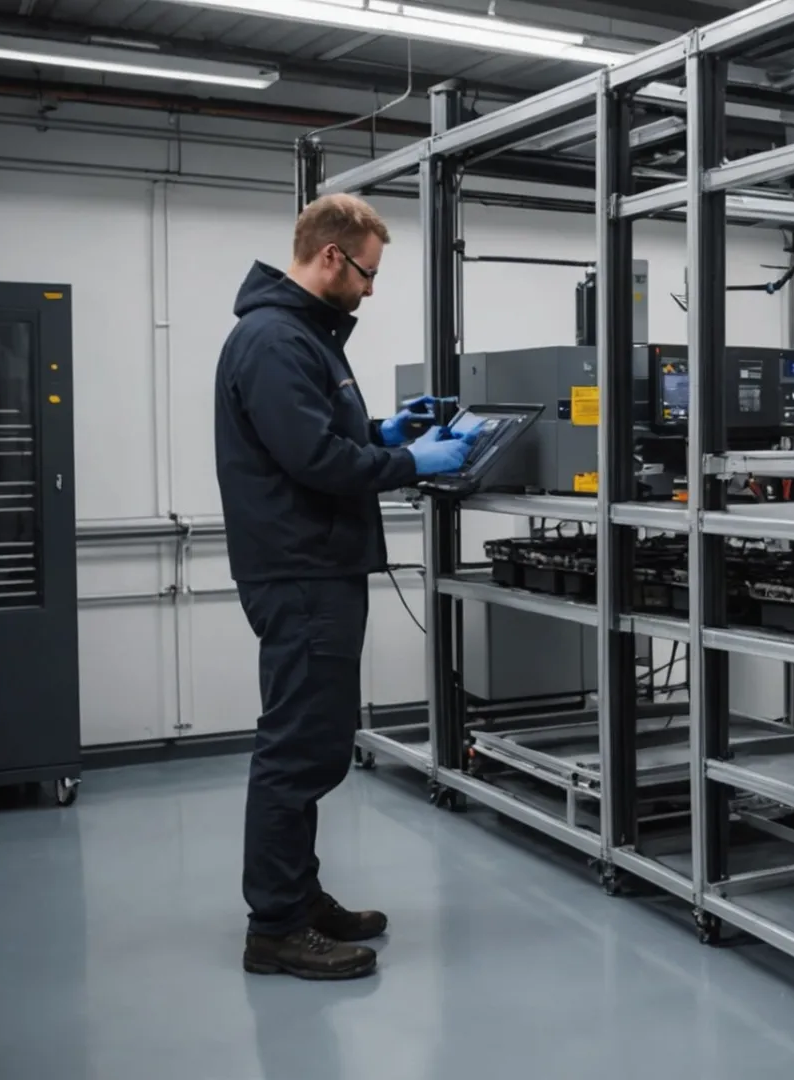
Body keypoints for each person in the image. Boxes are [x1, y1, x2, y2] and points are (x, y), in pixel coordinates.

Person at [214, 194, 473, 980]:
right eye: (367, 272)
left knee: (314, 744)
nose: (369, 289)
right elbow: (314, 463)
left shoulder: (300, 337)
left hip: (314, 566)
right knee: (297, 751)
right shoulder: (273, 339)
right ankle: (276, 928)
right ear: (331, 256)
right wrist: (416, 465)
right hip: (301, 571)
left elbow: (323, 437)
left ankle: (299, 896)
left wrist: (383, 432)